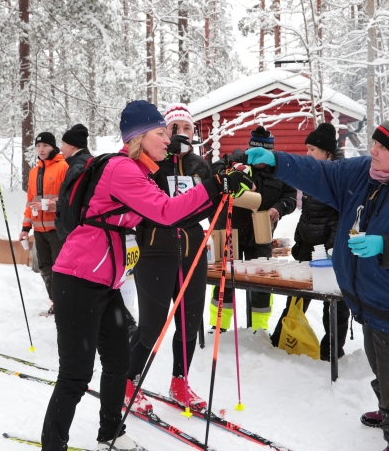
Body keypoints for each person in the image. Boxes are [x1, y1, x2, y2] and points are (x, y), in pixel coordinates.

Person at [35, 100, 252, 451]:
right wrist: (215, 185)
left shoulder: (139, 171)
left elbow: (173, 214)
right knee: (76, 372)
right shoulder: (122, 169)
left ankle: (109, 434)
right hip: (78, 279)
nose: (169, 139)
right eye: (161, 133)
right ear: (138, 138)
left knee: (119, 361)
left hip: (105, 283)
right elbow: (166, 213)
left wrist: (217, 180)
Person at [246, 111, 389, 451]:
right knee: (379, 362)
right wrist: (277, 161)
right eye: (374, 142)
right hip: (364, 297)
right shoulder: (361, 173)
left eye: (381, 146)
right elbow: (318, 173)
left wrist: (387, 247)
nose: (372, 150)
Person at [126, 103, 213, 414]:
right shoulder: (150, 164)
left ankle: (180, 380)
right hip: (155, 249)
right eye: (172, 128)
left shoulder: (200, 166)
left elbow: (206, 208)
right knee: (151, 325)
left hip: (192, 249)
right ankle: (128, 381)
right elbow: (148, 200)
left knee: (190, 322)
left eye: (186, 128)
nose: (180, 134)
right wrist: (165, 161)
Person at [269, 123, 351, 361]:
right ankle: (280, 340)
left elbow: (340, 218)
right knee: (296, 299)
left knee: (334, 304)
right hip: (308, 250)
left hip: (328, 253)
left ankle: (332, 351)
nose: (308, 154)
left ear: (328, 152)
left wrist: (331, 250)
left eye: (313, 149)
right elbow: (307, 215)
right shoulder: (315, 175)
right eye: (307, 149)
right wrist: (300, 243)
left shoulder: (339, 176)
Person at [209, 125, 297, 333]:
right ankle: (219, 324)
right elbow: (213, 173)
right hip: (231, 230)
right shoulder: (236, 162)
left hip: (262, 232)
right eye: (254, 153)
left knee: (261, 280)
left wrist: (278, 208)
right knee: (225, 279)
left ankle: (259, 328)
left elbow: (291, 197)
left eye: (264, 154)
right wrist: (232, 163)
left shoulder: (280, 171)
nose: (258, 160)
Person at [19, 132, 67, 316]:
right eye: (39, 146)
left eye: (45, 146)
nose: (41, 149)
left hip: (57, 229)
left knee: (60, 268)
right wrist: (25, 227)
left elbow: (68, 199)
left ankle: (65, 303)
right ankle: (55, 302)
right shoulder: (34, 172)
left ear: (53, 147)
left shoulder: (63, 167)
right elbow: (30, 202)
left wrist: (47, 204)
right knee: (45, 268)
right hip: (39, 230)